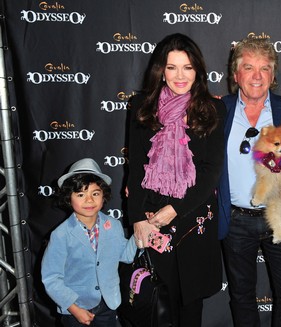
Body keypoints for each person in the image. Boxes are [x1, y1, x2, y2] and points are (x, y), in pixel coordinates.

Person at [126, 33, 226, 326]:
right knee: (158, 303)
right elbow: (135, 168)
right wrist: (138, 220)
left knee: (190, 306)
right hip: (152, 215)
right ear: (161, 70)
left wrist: (176, 209)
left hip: (193, 215)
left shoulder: (212, 108)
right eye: (172, 67)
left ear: (198, 71)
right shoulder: (142, 106)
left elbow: (211, 170)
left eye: (188, 67)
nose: (180, 75)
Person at [217, 37, 281, 327]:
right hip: (234, 220)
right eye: (248, 67)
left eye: (264, 68)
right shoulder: (218, 110)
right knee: (241, 295)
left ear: (273, 76)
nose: (256, 76)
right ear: (236, 75)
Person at [41, 158, 137, 327]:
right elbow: (51, 278)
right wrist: (74, 308)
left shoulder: (113, 225)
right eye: (80, 194)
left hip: (108, 304)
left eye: (95, 193)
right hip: (75, 308)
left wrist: (140, 234)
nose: (89, 200)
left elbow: (126, 255)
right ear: (68, 198)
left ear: (103, 196)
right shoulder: (61, 235)